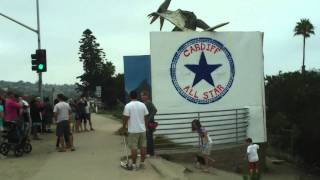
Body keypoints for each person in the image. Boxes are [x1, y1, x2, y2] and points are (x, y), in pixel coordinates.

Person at [123, 91, 149, 170]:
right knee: (143, 147)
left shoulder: (128, 106)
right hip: (142, 130)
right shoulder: (143, 105)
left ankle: (134, 165)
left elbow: (126, 118)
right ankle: (142, 163)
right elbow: (146, 117)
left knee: (134, 148)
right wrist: (146, 126)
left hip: (133, 130)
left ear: (130, 96)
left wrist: (124, 127)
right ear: (137, 96)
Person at [140, 91, 157, 157]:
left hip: (149, 123)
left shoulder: (149, 102)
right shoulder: (143, 103)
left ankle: (150, 153)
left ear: (147, 96)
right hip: (145, 122)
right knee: (147, 137)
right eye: (141, 95)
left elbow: (155, 110)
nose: (142, 97)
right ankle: (148, 152)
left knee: (149, 137)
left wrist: (150, 118)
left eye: (143, 95)